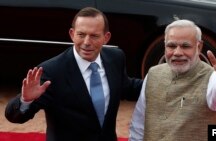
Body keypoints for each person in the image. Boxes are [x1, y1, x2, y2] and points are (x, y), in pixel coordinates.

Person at [5, 7, 142, 141]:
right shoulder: (52, 71)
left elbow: (126, 87)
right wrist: (25, 100)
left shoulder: (116, 58)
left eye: (94, 36)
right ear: (72, 34)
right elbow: (15, 117)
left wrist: (158, 78)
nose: (87, 42)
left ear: (106, 37)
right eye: (81, 35)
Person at [129, 19, 216, 141]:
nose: (177, 52)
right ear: (164, 46)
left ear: (198, 47)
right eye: (171, 46)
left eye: (185, 46)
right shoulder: (152, 74)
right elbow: (139, 123)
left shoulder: (212, 77)